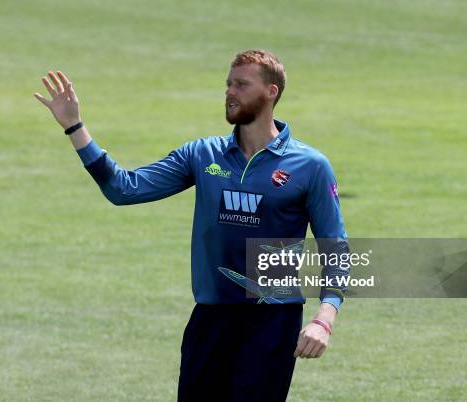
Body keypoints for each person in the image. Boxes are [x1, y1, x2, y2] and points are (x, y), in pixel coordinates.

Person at [34, 49, 350, 402]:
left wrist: (325, 318)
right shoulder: (203, 154)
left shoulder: (310, 166)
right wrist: (75, 128)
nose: (230, 92)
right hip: (210, 320)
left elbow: (335, 246)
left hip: (272, 323)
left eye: (242, 84)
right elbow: (123, 190)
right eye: (228, 84)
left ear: (271, 92)